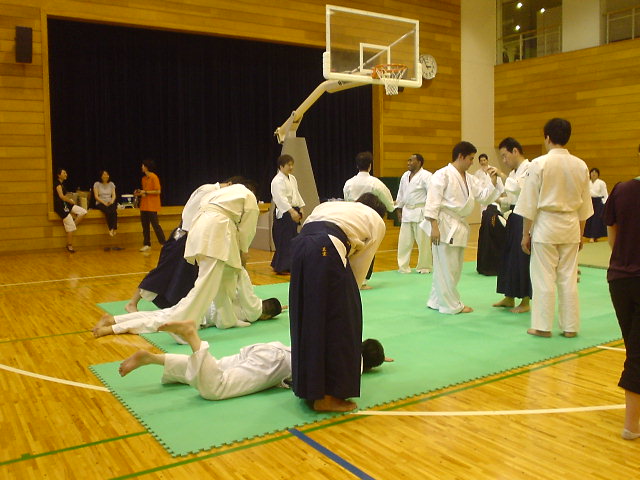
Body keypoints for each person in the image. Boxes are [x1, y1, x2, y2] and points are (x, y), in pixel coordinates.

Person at [94, 182, 260, 337]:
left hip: (200, 231)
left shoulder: (219, 195)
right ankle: (178, 326)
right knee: (203, 289)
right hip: (212, 233)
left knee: (224, 279)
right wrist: (243, 251)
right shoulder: (247, 197)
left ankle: (227, 319)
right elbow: (247, 230)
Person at [118, 319, 390, 402]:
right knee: (216, 388)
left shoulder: (342, 345)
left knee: (215, 367)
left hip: (268, 349)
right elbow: (350, 374)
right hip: (274, 365)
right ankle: (193, 338)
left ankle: (153, 358)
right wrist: (373, 362)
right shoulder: (354, 363)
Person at [289, 193, 387, 412]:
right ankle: (328, 396)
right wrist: (350, 297)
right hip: (327, 245)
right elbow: (359, 268)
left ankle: (309, 388)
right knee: (342, 321)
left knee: (308, 315)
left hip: (299, 247)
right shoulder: (375, 220)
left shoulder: (333, 206)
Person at [514, 118, 592, 338]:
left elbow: (529, 202)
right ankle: (570, 327)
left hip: (546, 226)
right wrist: (581, 234)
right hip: (571, 225)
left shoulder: (539, 164)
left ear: (547, 138)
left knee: (543, 277)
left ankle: (542, 326)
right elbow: (585, 205)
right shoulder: (580, 165)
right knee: (568, 277)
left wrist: (525, 234)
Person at [424, 141, 504, 314]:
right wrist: (434, 226)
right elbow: (432, 201)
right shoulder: (442, 175)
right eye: (470, 159)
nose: (472, 162)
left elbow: (484, 197)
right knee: (448, 268)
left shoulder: (469, 178)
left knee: (450, 267)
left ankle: (436, 300)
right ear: (461, 156)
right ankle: (450, 305)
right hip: (444, 225)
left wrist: (493, 181)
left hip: (458, 224)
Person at [125, 181, 226, 313]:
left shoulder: (210, 191)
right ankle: (132, 303)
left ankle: (178, 304)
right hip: (184, 237)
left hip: (188, 237)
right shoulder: (209, 190)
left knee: (187, 275)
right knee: (163, 271)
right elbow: (189, 215)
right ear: (229, 184)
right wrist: (190, 237)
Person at [93, 268, 283, 337]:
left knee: (159, 315)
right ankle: (111, 328)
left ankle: (114, 320)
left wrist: (282, 307)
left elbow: (249, 296)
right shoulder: (252, 314)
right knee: (157, 322)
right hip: (201, 314)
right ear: (266, 317)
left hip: (199, 301)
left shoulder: (250, 300)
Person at [603, 145, 640, 440]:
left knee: (634, 347)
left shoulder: (621, 190)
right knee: (637, 354)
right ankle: (631, 425)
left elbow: (612, 238)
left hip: (620, 280)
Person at [343, 151, 395, 288]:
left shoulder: (349, 183)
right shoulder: (375, 183)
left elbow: (346, 200)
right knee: (368, 248)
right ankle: (362, 280)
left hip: (351, 218)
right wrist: (391, 207)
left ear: (357, 165)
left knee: (352, 247)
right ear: (370, 166)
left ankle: (352, 278)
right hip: (369, 219)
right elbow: (388, 202)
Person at [492, 137, 532, 313]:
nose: (504, 160)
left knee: (522, 257)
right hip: (514, 215)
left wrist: (502, 175)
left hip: (525, 216)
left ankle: (525, 301)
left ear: (515, 151)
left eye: (504, 155)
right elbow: (511, 197)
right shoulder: (514, 172)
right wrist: (498, 199)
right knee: (508, 256)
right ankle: (509, 296)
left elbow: (520, 189)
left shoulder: (530, 168)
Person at [395, 153, 433, 274]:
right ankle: (403, 266)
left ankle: (424, 266)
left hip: (421, 212)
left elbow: (432, 195)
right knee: (404, 242)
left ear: (419, 162)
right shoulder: (405, 176)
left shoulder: (427, 176)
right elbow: (401, 194)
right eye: (408, 160)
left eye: (411, 160)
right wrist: (399, 209)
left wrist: (430, 213)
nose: (408, 163)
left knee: (423, 242)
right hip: (407, 212)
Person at [270, 154, 305, 275]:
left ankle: (284, 264)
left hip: (293, 209)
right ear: (281, 166)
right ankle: (281, 266)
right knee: (284, 239)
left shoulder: (292, 178)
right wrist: (291, 211)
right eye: (288, 165)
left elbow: (296, 194)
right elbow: (280, 199)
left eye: (292, 165)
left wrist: (301, 208)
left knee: (292, 238)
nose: (291, 167)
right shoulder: (277, 181)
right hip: (284, 211)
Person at [135, 158, 166, 252]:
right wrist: (140, 193)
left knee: (156, 225)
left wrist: (146, 192)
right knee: (145, 226)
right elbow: (145, 192)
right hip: (144, 205)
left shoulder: (154, 177)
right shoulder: (143, 179)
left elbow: (158, 191)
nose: (142, 167)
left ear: (146, 167)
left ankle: (163, 243)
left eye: (143, 165)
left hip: (152, 206)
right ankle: (147, 244)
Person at [53, 167, 87, 253]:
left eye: (66, 173)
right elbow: (61, 196)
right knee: (69, 223)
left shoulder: (62, 184)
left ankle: (72, 226)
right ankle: (69, 245)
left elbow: (64, 196)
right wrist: (70, 200)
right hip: (60, 206)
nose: (66, 174)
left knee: (83, 212)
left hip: (65, 204)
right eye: (64, 173)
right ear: (59, 175)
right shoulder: (57, 184)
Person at [584, 167, 608, 242]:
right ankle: (590, 236)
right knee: (589, 218)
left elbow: (605, 194)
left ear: (598, 174)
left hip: (598, 202)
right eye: (592, 172)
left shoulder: (601, 183)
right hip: (589, 201)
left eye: (595, 172)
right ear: (590, 174)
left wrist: (605, 204)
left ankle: (593, 236)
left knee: (596, 219)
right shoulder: (587, 183)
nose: (593, 174)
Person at [93, 169, 118, 237]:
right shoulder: (97, 184)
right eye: (104, 174)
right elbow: (96, 196)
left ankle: (114, 228)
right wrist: (104, 203)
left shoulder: (111, 184)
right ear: (101, 176)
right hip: (100, 202)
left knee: (114, 211)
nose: (106, 176)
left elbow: (114, 195)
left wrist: (112, 201)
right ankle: (111, 228)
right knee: (108, 211)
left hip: (109, 201)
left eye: (107, 174)